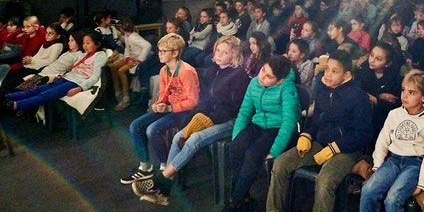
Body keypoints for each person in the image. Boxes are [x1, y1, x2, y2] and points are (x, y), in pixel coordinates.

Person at [129, 35, 250, 206]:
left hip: (230, 121)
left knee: (195, 138)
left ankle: (161, 181)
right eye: (218, 50)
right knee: (179, 136)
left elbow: (234, 107)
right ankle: (163, 193)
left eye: (225, 52)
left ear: (234, 55)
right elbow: (205, 101)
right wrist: (196, 118)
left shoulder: (240, 75)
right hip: (208, 117)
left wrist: (208, 119)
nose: (220, 54)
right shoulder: (212, 71)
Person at [266, 50, 373, 212]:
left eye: (334, 71)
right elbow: (316, 122)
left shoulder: (358, 97)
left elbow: (363, 134)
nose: (328, 74)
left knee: (324, 180)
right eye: (327, 69)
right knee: (280, 164)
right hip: (320, 143)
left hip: (347, 150)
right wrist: (307, 135)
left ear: (346, 75)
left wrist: (334, 148)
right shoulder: (322, 90)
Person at [224, 55, 301, 211]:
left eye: (269, 77)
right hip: (257, 124)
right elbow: (244, 112)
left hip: (277, 129)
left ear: (279, 80)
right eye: (263, 70)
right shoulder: (254, 83)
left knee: (252, 155)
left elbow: (289, 122)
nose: (262, 77)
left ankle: (234, 202)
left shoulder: (287, 88)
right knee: (235, 148)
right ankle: (243, 198)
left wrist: (275, 151)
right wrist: (237, 138)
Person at [121, 33, 199, 185]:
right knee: (135, 126)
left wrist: (169, 108)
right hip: (169, 108)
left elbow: (193, 101)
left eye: (164, 51)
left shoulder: (186, 71)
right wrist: (158, 103)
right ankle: (145, 167)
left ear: (175, 53)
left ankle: (165, 166)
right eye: (159, 51)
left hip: (185, 111)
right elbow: (164, 93)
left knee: (153, 129)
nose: (159, 54)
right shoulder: (164, 70)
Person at [360, 69, 424, 212]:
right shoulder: (394, 114)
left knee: (393, 198)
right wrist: (377, 165)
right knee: (368, 190)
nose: (405, 95)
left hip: (414, 164)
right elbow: (383, 140)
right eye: (404, 90)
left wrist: (422, 183)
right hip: (393, 161)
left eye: (412, 93)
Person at [4, 31, 107, 111]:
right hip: (67, 78)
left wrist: (80, 88)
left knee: (46, 94)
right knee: (38, 89)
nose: (85, 46)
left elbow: (95, 76)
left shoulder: (100, 55)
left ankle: (15, 105)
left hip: (76, 82)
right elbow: (73, 69)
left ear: (97, 44)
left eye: (88, 43)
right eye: (84, 43)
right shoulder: (84, 55)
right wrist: (61, 76)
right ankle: (6, 98)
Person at [355, 43, 402, 149]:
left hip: (383, 119)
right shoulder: (364, 69)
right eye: (371, 55)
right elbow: (358, 92)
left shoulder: (395, 78)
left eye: (378, 59)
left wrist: (377, 101)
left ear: (387, 63)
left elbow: (395, 104)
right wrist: (379, 96)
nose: (372, 60)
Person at [0, 23, 65, 95]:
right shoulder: (46, 43)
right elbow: (37, 56)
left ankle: (7, 97)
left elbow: (50, 61)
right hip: (30, 66)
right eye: (46, 32)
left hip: (36, 69)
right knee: (9, 76)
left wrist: (32, 60)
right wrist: (29, 59)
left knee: (13, 82)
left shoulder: (58, 45)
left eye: (51, 33)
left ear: (58, 36)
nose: (47, 35)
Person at [110, 19, 152, 111]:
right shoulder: (127, 36)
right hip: (131, 58)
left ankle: (126, 98)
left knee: (121, 71)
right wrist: (127, 57)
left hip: (136, 60)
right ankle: (118, 92)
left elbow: (147, 45)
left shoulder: (134, 37)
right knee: (113, 66)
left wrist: (140, 59)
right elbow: (127, 49)